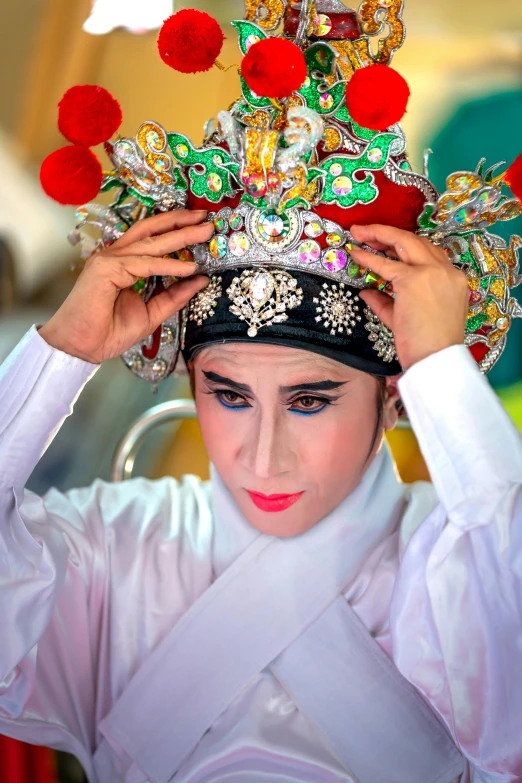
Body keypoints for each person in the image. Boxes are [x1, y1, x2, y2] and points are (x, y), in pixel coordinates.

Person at [3, 1, 522, 780]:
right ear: (190, 378)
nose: (263, 456)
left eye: (311, 400)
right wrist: (59, 352)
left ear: (394, 394)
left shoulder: (449, 565)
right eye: (230, 394)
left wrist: (441, 364)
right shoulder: (112, 553)